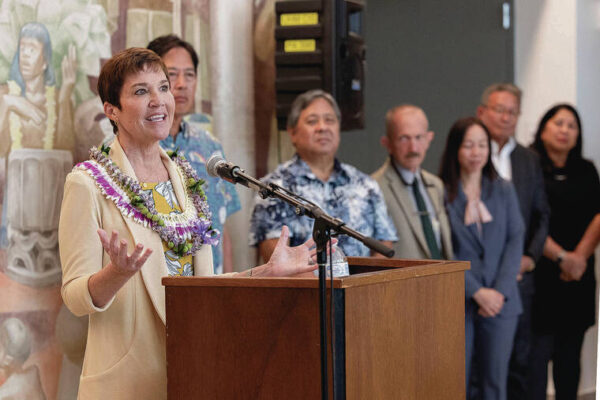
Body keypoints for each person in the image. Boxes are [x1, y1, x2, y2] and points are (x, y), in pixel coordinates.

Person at [58, 48, 317, 400]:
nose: (158, 101)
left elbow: (201, 288)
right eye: (140, 91)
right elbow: (74, 297)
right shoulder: (87, 183)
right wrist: (115, 274)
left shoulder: (185, 176)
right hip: (128, 384)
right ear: (111, 111)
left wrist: (266, 273)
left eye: (162, 88)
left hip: (193, 370)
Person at [249, 89, 397, 261]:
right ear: (292, 132)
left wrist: (361, 286)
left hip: (361, 286)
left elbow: (384, 244)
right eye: (312, 121)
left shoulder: (365, 184)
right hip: (304, 286)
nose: (323, 127)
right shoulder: (273, 188)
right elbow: (276, 257)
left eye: (330, 120)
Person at [439, 117, 524, 400]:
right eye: (468, 145)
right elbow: (442, 251)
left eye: (482, 145)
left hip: (502, 302)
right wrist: (476, 291)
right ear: (455, 149)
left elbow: (515, 239)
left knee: (494, 383)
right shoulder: (440, 192)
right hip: (458, 300)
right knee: (455, 381)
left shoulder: (503, 188)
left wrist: (498, 291)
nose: (476, 152)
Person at [477, 83, 550, 398]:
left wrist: (530, 257)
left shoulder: (528, 159)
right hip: (478, 276)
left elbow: (542, 214)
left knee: (518, 361)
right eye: (499, 110)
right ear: (483, 112)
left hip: (519, 277)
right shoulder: (471, 150)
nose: (505, 117)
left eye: (512, 112)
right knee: (479, 365)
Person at [147, 34, 241, 274]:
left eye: (189, 75)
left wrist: (229, 287)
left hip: (213, 286)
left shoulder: (210, 146)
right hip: (161, 287)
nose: (181, 84)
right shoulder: (134, 146)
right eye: (172, 74)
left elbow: (222, 227)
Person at [528, 104, 600, 400]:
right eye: (558, 123)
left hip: (578, 278)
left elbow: (598, 214)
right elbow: (528, 219)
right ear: (543, 129)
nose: (565, 130)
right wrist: (562, 257)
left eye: (572, 125)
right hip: (541, 277)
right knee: (535, 362)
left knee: (570, 363)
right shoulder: (529, 168)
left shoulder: (586, 170)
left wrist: (579, 257)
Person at [372, 105, 453, 260]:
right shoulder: (374, 188)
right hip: (404, 282)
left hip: (442, 281)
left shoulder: (436, 185)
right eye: (404, 138)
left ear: (429, 139)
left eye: (419, 137)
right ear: (387, 143)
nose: (413, 147)